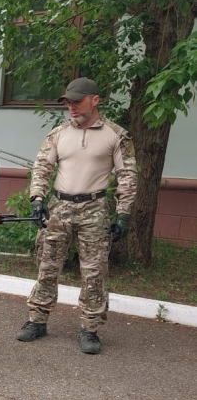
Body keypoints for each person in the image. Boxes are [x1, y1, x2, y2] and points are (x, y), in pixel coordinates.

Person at [16, 77, 137, 355]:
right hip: (59, 208)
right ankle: (37, 320)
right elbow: (42, 168)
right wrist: (37, 199)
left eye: (77, 101)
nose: (71, 106)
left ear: (95, 100)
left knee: (94, 272)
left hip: (94, 210)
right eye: (68, 102)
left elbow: (128, 176)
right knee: (47, 265)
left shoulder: (116, 135)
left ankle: (90, 328)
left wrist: (123, 214)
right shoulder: (58, 134)